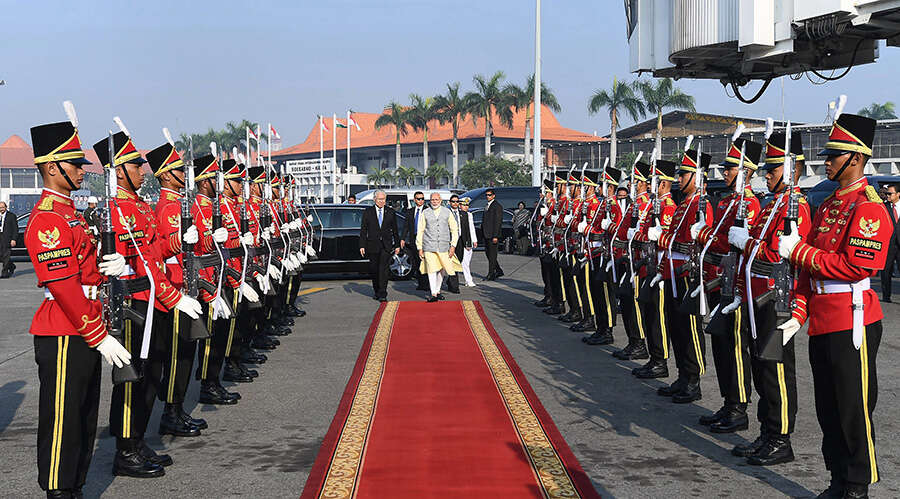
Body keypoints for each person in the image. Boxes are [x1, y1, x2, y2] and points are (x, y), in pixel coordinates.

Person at [778, 113, 889, 498]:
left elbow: (857, 265)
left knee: (852, 409)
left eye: (834, 155)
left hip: (851, 319)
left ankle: (857, 484)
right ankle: (838, 477)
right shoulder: (827, 206)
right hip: (823, 319)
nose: (825, 161)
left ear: (856, 158)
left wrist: (802, 252)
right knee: (827, 408)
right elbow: (809, 269)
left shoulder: (869, 207)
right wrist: (798, 310)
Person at [26, 117, 132, 498]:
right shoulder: (48, 220)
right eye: (74, 164)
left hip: (86, 325)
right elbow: (65, 287)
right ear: (53, 168)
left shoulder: (71, 214)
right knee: (62, 418)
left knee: (85, 415)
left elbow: (88, 274)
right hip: (65, 330)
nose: (80, 171)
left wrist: (116, 268)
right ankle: (58, 488)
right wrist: (98, 334)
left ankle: (75, 486)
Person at [92, 130, 202, 478]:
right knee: (132, 378)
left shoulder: (138, 206)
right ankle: (125, 449)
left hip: (150, 299)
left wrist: (178, 239)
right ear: (119, 171)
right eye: (136, 165)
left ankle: (137, 440)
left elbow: (154, 253)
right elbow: (113, 261)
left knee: (151, 375)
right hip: (130, 306)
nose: (143, 170)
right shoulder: (114, 209)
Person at [726, 130, 810, 465]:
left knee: (776, 371)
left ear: (790, 171)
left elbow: (778, 255)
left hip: (777, 300)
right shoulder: (771, 206)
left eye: (773, 169)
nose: (766, 174)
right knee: (761, 369)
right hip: (756, 297)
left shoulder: (797, 207)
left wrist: (745, 242)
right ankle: (766, 432)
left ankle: (781, 437)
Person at [692, 138, 762, 435]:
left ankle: (738, 407)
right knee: (721, 344)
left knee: (735, 347)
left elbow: (732, 242)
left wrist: (705, 232)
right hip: (722, 278)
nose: (725, 172)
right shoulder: (727, 201)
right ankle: (727, 400)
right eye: (725, 168)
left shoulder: (751, 203)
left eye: (731, 168)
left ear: (746, 171)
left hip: (736, 283)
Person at [648, 151, 713, 403]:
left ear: (696, 176)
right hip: (673, 273)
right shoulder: (685, 205)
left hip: (687, 274)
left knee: (690, 329)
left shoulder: (701, 204)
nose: (679, 179)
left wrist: (661, 238)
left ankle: (694, 379)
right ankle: (683, 375)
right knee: (676, 328)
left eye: (684, 174)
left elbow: (688, 243)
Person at [416, 192, 461, 302]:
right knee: (431, 269)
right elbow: (420, 230)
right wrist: (419, 247)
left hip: (444, 245)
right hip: (429, 246)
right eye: (432, 200)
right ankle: (433, 293)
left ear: (440, 200)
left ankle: (438, 290)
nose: (434, 201)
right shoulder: (425, 213)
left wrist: (453, 245)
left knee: (442, 269)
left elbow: (454, 229)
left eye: (436, 199)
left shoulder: (447, 212)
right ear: (429, 201)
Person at [359, 190, 400, 302]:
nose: (382, 202)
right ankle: (377, 290)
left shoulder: (390, 212)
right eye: (380, 199)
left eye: (384, 199)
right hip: (372, 244)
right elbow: (363, 230)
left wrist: (397, 245)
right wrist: (362, 245)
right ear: (374, 199)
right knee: (374, 269)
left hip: (386, 245)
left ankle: (383, 293)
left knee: (384, 269)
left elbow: (395, 230)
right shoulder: (368, 212)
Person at [401, 191, 428, 291]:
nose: (421, 201)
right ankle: (421, 283)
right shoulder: (410, 211)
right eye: (418, 199)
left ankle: (427, 284)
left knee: (425, 261)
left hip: (426, 239)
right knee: (416, 261)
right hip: (414, 239)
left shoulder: (427, 210)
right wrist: (403, 238)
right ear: (414, 200)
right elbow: (406, 226)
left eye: (422, 199)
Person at [880, 183, 900, 302]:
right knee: (886, 271)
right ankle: (886, 296)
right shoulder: (883, 207)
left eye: (890, 193)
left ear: (898, 194)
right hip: (888, 244)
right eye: (886, 193)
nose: (887, 196)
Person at [482, 188, 504, 280]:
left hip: (492, 235)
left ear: (493, 196)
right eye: (486, 195)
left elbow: (498, 222)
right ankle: (498, 270)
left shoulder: (497, 206)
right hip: (486, 234)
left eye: (489, 195)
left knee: (492, 255)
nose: (488, 196)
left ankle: (491, 274)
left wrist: (495, 236)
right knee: (488, 254)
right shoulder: (487, 205)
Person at [458, 197, 478, 286]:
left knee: (467, 261)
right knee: (464, 262)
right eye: (464, 205)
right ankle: (468, 280)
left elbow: (471, 228)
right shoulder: (458, 215)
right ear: (460, 205)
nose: (466, 207)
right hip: (461, 240)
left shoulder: (469, 215)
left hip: (469, 239)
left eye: (467, 205)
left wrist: (474, 240)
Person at [0, 201, 17, 278]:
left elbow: (15, 229)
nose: (1, 209)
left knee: (6, 254)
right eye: (0, 208)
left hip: (7, 237)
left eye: (3, 207)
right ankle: (12, 266)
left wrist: (13, 239)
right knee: (1, 255)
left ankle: (4, 273)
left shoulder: (11, 216)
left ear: (6, 207)